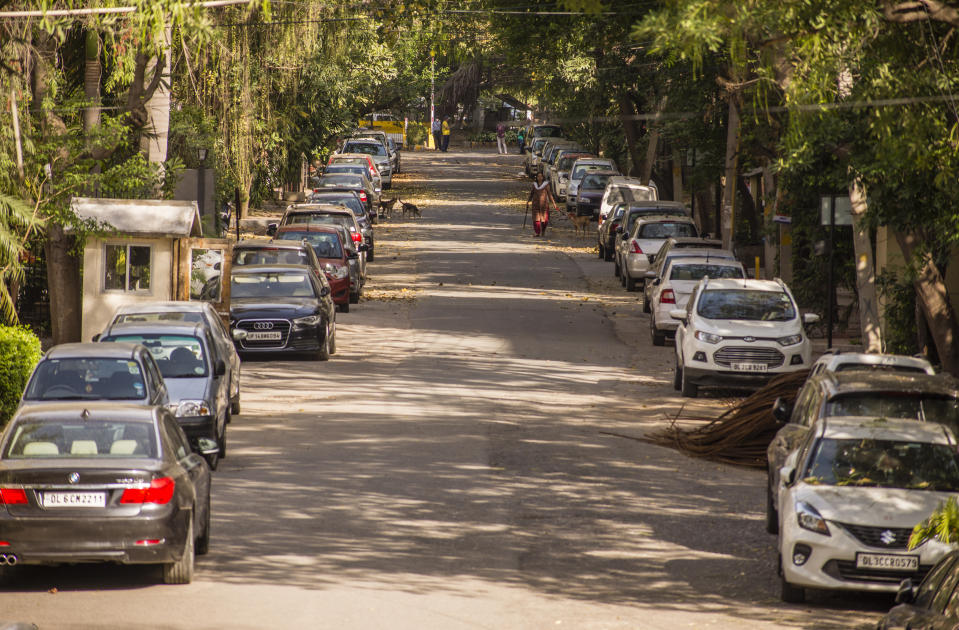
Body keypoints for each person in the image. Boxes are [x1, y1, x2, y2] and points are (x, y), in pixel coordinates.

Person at [527, 172, 556, 237]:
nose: (540, 178)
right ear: (536, 178)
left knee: (544, 220)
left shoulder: (546, 185)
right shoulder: (534, 185)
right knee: (536, 219)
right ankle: (537, 232)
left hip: (544, 205)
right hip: (535, 204)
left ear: (543, 177)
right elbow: (531, 194)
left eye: (541, 176)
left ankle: (543, 230)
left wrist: (554, 203)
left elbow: (549, 194)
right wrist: (528, 201)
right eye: (538, 176)